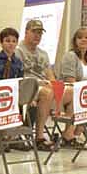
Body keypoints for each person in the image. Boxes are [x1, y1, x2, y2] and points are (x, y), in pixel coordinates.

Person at [15, 19, 55, 151]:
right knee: (46, 92)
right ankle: (39, 137)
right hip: (25, 87)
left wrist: (58, 88)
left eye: (40, 33)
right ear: (26, 32)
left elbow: (50, 76)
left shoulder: (43, 54)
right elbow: (17, 77)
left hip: (43, 87)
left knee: (71, 93)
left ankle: (69, 135)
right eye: (34, 32)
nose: (37, 36)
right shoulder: (18, 51)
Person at [59, 28, 87, 148]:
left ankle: (74, 134)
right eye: (80, 38)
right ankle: (69, 136)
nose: (83, 40)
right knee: (82, 98)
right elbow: (70, 80)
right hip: (69, 93)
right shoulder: (70, 56)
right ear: (75, 41)